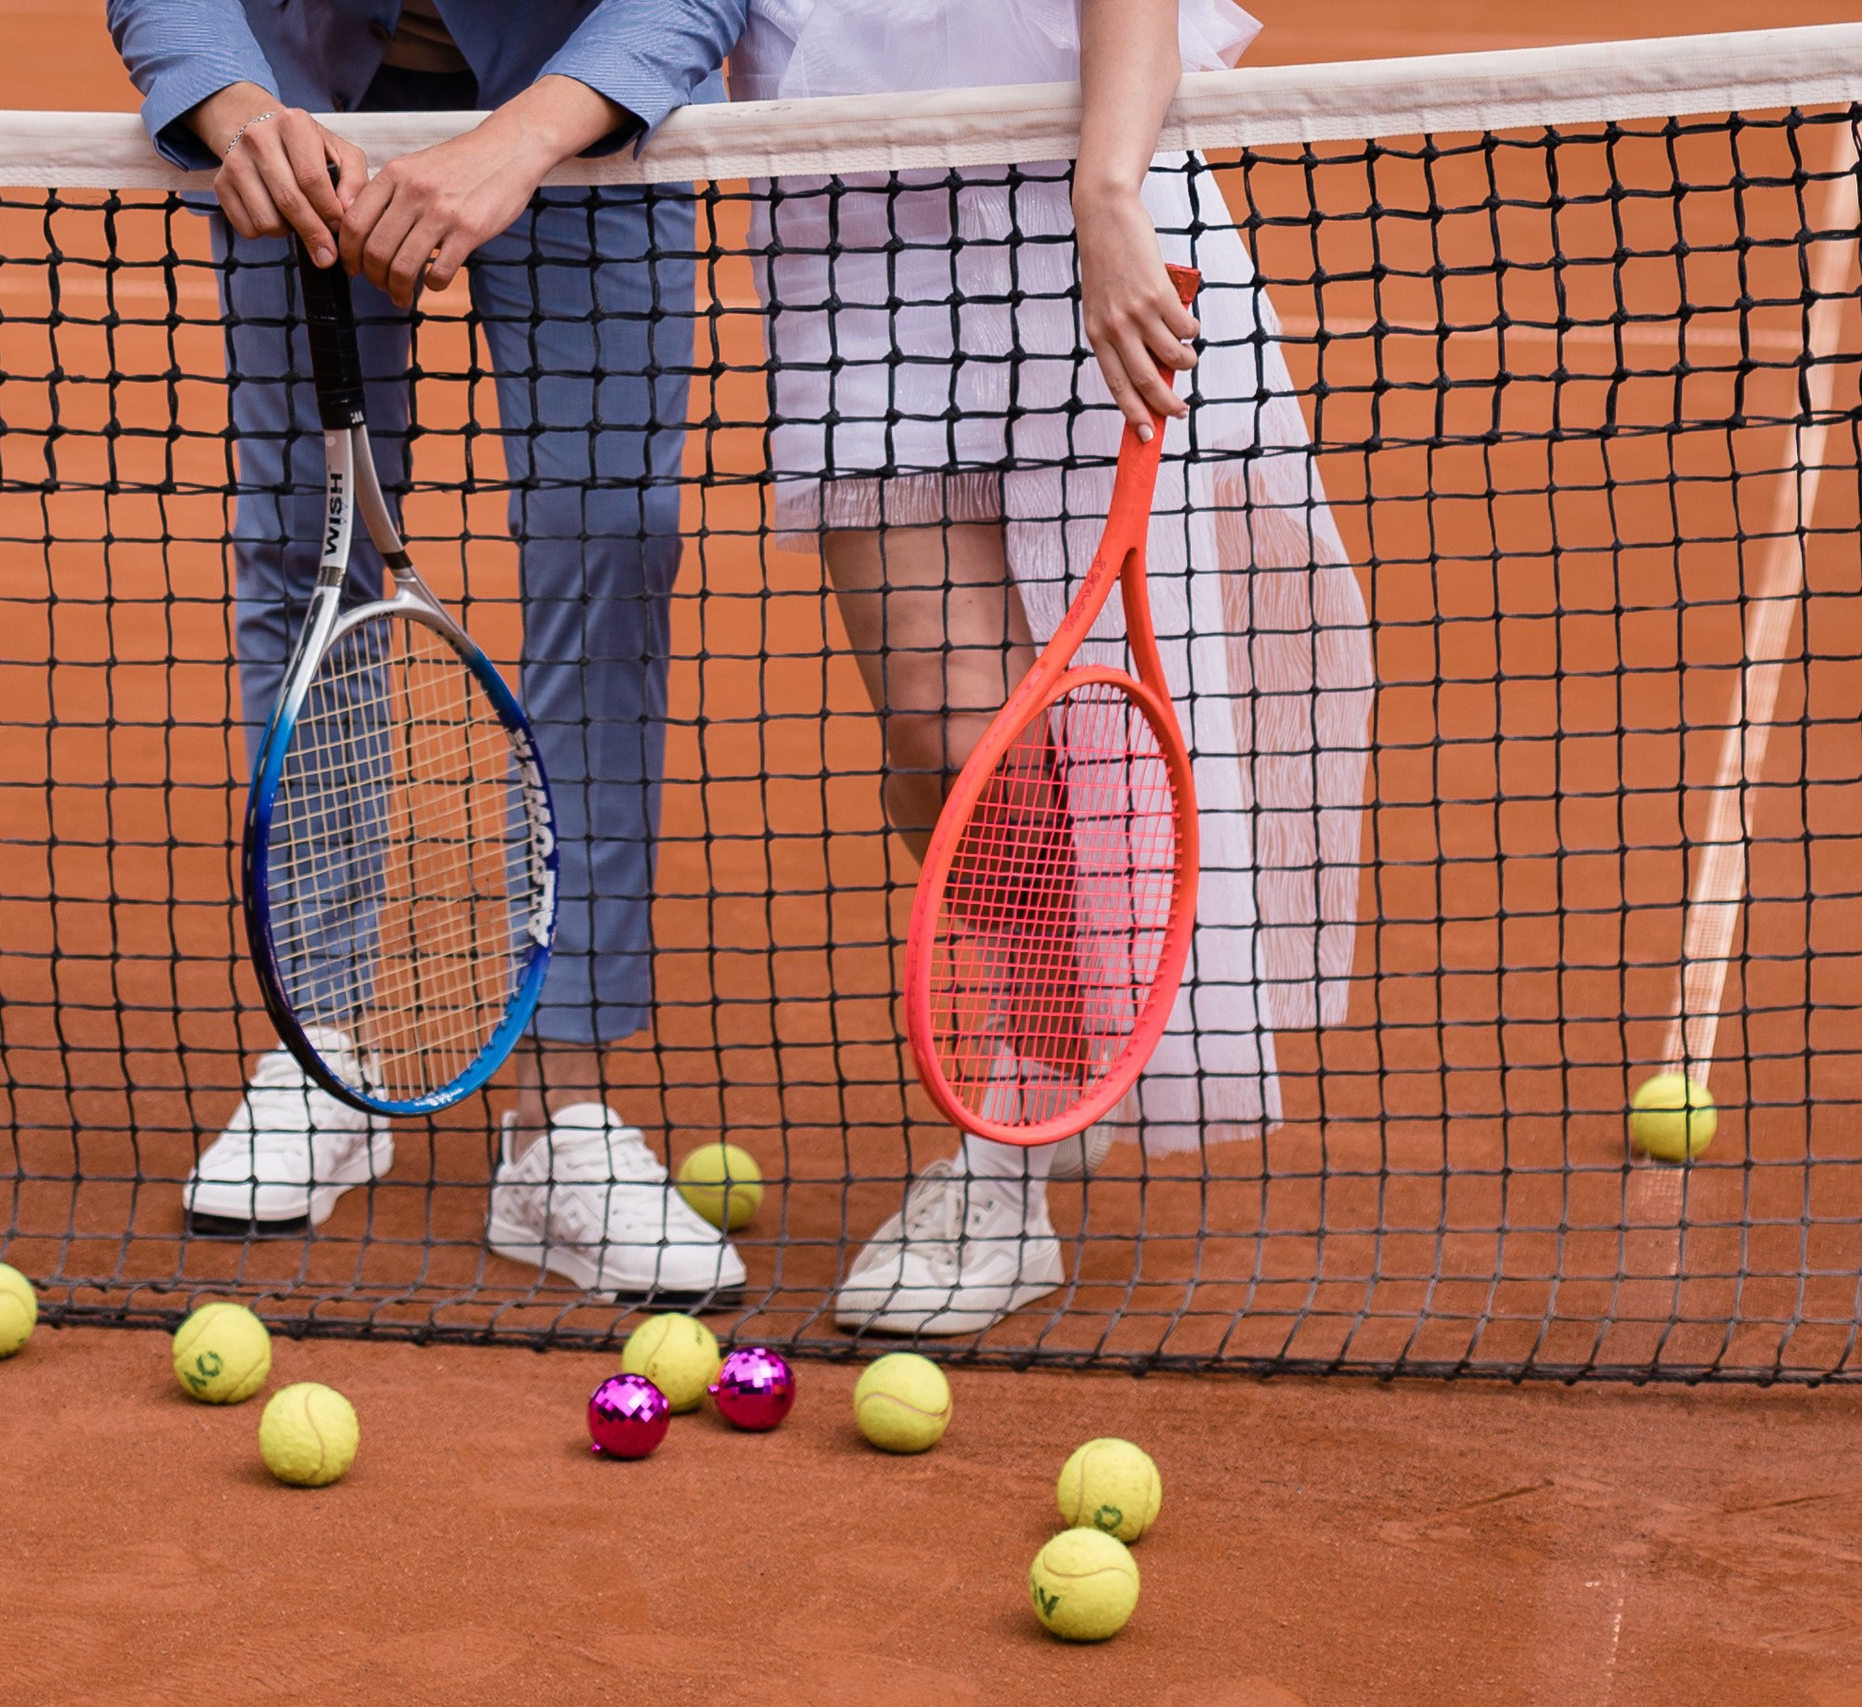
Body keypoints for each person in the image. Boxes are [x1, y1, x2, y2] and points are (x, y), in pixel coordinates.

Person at [732, 0, 1375, 1332]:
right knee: (948, 740)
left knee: (1104, 758)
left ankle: (1009, 1142)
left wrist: (1110, 188)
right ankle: (1054, 1050)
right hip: (844, 221)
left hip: (1068, 186)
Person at [110, 0, 753, 1300]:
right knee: (309, 553)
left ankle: (561, 1120)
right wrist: (234, 105)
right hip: (298, 107)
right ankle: (323, 1054)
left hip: (579, 107)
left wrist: (525, 142)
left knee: (611, 546)